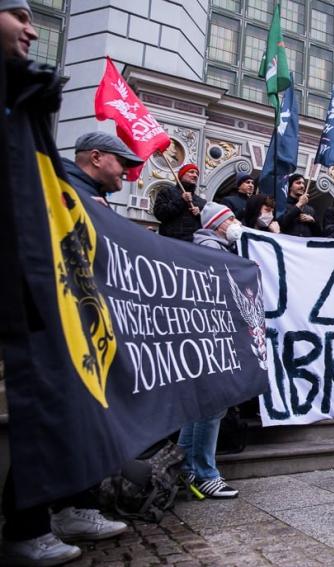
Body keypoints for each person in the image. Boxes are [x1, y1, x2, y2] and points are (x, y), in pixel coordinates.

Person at [1, 2, 127, 564]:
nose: (33, 28)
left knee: (78, 402)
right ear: (94, 157)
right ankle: (28, 523)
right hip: (36, 292)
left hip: (52, 298)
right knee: (53, 399)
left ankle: (69, 504)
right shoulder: (60, 175)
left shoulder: (21, 106)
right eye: (17, 14)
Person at [177, 204, 243, 500]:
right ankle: (205, 472)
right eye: (230, 218)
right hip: (211, 336)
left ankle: (186, 466)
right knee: (213, 405)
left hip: (209, 335)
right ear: (217, 224)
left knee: (200, 406)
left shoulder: (214, 247)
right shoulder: (210, 249)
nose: (235, 223)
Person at [61, 132, 143, 203]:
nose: (127, 171)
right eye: (122, 163)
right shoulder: (57, 191)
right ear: (96, 158)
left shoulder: (94, 197)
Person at [153, 163, 206, 241]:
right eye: (191, 172)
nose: (195, 175)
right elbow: (160, 214)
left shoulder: (201, 201)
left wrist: (200, 214)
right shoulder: (167, 192)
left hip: (192, 243)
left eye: (197, 174)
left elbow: (207, 224)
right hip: (170, 241)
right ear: (181, 176)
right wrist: (181, 201)